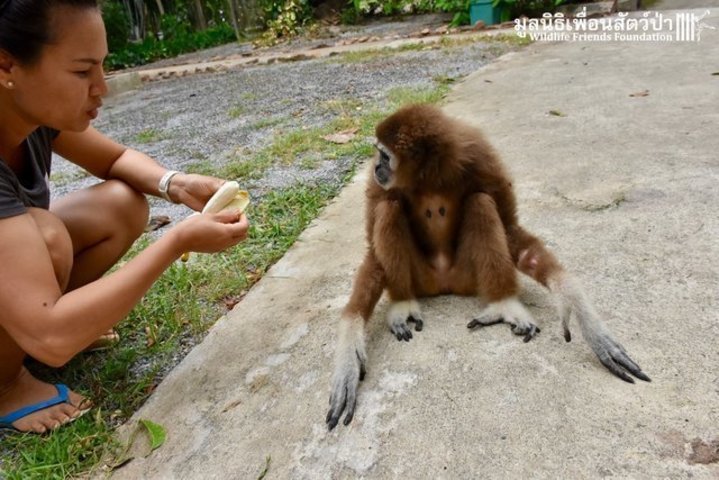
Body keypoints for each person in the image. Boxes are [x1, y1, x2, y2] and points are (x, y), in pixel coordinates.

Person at [0, 0, 249, 433]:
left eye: (101, 67)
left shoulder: (28, 111)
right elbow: (52, 336)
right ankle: (6, 386)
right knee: (47, 236)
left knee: (121, 204)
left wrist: (177, 183)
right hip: (36, 314)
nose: (101, 87)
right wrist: (176, 242)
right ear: (7, 65)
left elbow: (114, 158)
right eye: (82, 72)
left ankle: (50, 327)